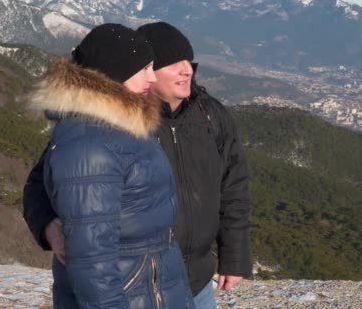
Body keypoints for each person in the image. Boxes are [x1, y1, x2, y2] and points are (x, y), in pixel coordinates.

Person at [24, 22, 251, 308]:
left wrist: (235, 255)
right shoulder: (105, 129)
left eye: (189, 61)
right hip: (136, 282)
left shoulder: (210, 115)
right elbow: (44, 184)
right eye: (172, 63)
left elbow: (233, 186)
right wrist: (48, 226)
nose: (188, 70)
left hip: (188, 277)